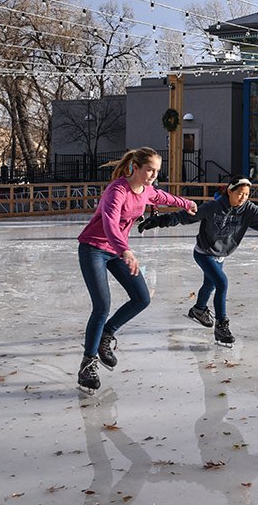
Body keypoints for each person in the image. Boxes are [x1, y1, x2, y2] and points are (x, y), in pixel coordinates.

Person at [76, 147, 197, 394]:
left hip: (118, 251)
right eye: (149, 169)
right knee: (102, 306)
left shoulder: (146, 190)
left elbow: (162, 197)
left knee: (142, 298)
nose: (153, 175)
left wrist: (186, 203)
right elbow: (109, 223)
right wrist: (125, 250)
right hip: (93, 249)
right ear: (136, 167)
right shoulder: (117, 190)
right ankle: (87, 364)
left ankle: (106, 335)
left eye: (156, 171)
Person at [138, 175, 258, 346]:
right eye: (239, 194)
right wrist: (159, 221)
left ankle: (198, 309)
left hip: (221, 254)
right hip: (204, 252)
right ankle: (221, 326)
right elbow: (186, 216)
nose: (243, 198)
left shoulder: (249, 210)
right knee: (221, 282)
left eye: (246, 194)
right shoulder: (213, 207)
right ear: (229, 191)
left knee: (210, 284)